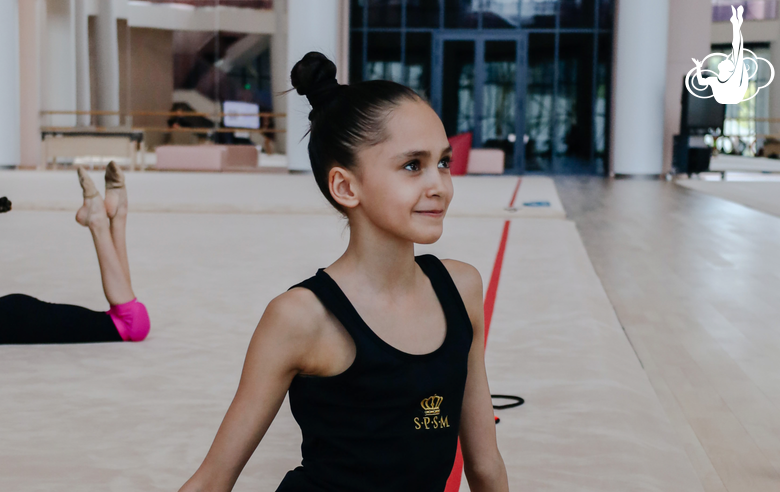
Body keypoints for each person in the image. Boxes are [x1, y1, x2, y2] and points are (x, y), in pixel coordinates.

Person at [178, 52, 508, 492]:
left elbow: (485, 467)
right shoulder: (300, 317)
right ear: (346, 186)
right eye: (413, 165)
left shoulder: (461, 288)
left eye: (443, 162)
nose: (439, 185)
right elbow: (213, 480)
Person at [0, 162, 150, 344]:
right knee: (126, 322)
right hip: (14, 314)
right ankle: (116, 216)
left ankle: (101, 219)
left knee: (129, 323)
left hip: (13, 316)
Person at [692, 5, 750, 104]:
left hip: (731, 97)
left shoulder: (732, 79)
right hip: (727, 97)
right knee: (737, 50)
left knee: (737, 50)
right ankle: (737, 24)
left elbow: (737, 48)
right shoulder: (716, 80)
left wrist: (736, 26)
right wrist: (698, 67)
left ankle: (737, 24)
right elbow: (701, 81)